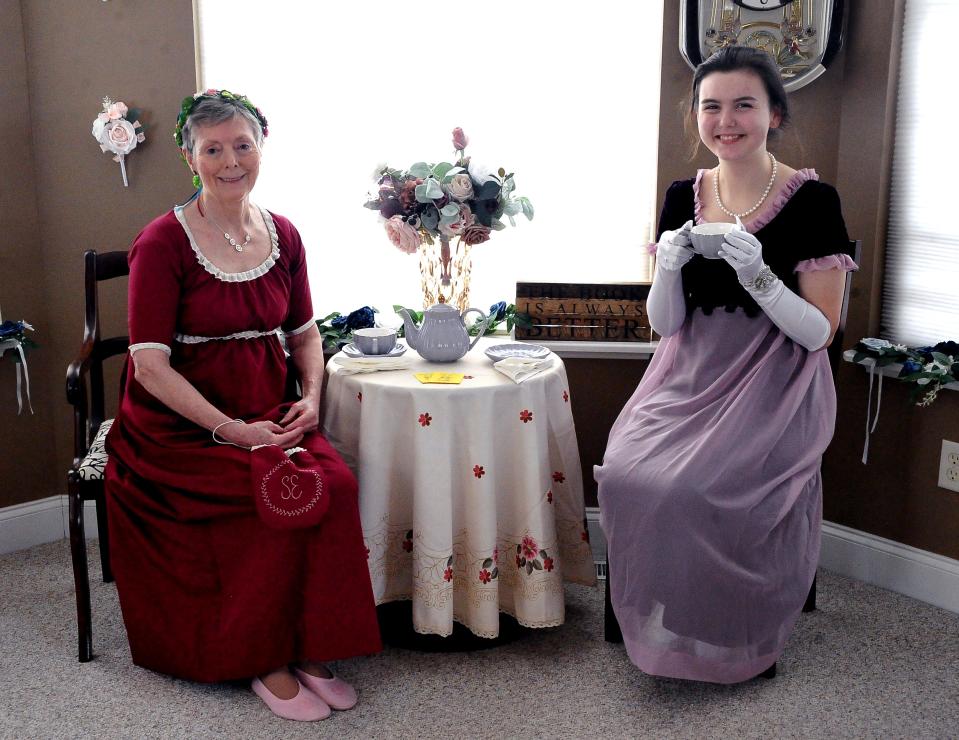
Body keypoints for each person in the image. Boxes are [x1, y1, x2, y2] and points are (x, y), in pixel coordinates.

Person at [105, 89, 381, 721]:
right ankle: (263, 657)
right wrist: (233, 431)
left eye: (243, 145)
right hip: (182, 427)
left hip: (270, 407)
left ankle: (311, 643)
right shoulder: (162, 243)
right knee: (262, 499)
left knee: (331, 486)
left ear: (261, 149)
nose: (231, 161)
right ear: (189, 156)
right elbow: (150, 366)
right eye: (213, 149)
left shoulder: (283, 232)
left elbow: (305, 332)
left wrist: (310, 398)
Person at [595, 46, 857, 684]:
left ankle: (731, 627)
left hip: (776, 379)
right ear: (696, 115)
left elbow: (819, 333)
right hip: (688, 370)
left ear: (774, 114)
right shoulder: (682, 196)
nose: (727, 119)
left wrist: (761, 277)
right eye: (712, 106)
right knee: (628, 476)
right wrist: (672, 266)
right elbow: (667, 324)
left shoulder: (814, 201)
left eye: (745, 104)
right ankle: (665, 606)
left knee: (699, 490)